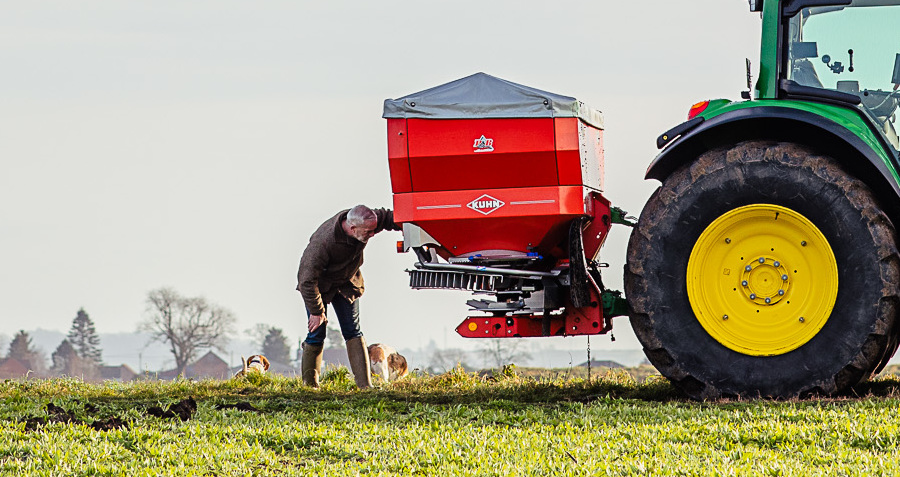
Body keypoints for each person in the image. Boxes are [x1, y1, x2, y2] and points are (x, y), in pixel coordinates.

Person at [296, 204, 400, 388]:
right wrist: (317, 311)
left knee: (353, 330)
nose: (372, 235)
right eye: (368, 232)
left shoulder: (366, 220)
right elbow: (306, 281)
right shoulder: (322, 244)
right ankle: (310, 385)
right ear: (352, 229)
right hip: (319, 287)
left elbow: (388, 217)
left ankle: (364, 385)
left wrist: (411, 221)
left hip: (346, 283)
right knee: (316, 333)